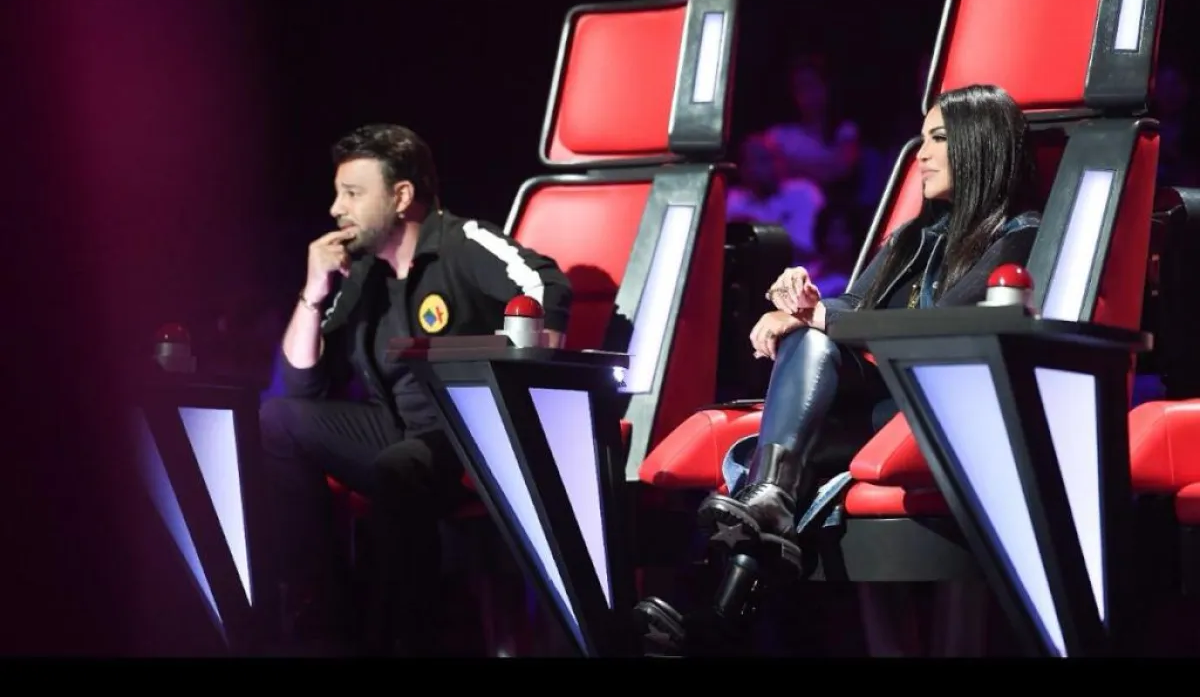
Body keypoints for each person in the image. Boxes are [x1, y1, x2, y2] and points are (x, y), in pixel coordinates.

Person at [633, 83, 1043, 655]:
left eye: (938, 139)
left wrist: (820, 317)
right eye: (921, 139)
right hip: (880, 408)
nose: (921, 154)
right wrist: (805, 306)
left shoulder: (1020, 234)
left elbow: (943, 323)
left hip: (945, 408)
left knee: (789, 427)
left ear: (981, 146)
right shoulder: (913, 237)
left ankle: (725, 603)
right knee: (801, 378)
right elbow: (856, 304)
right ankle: (764, 512)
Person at [258, 124, 572, 655]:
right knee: (278, 420)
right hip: (398, 430)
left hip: (468, 436)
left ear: (401, 195)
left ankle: (403, 639)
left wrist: (529, 369)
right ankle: (322, 615)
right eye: (338, 194)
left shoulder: (461, 241)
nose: (336, 209)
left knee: (397, 468)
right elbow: (300, 381)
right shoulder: (363, 274)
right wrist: (313, 292)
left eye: (352, 193)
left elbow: (546, 285)